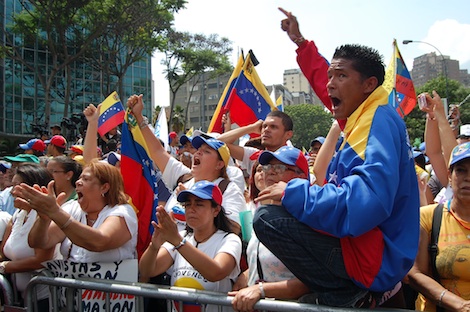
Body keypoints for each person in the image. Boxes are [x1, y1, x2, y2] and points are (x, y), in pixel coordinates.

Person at [252, 9, 419, 308]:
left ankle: (344, 294)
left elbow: (366, 203)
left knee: (268, 218)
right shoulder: (365, 112)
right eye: (331, 75)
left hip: (374, 259)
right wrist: (301, 43)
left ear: (368, 85)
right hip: (371, 251)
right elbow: (324, 80)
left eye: (340, 76)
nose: (330, 84)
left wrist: (293, 191)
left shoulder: (374, 121)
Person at [126, 94, 246, 233]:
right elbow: (157, 151)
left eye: (207, 151)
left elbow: (235, 228)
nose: (198, 153)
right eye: (198, 149)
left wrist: (193, 202)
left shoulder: (228, 189)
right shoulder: (185, 177)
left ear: (219, 165)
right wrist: (139, 118)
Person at [139, 181, 241, 312]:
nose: (191, 209)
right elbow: (148, 271)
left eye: (199, 204)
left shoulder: (229, 239)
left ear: (216, 210)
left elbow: (216, 272)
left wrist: (177, 241)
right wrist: (154, 246)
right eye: (187, 204)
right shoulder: (181, 237)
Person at [230, 146, 310, 311]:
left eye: (280, 168)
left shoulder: (307, 222)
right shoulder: (262, 216)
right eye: (267, 167)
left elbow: (311, 282)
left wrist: (261, 290)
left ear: (301, 176)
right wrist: (248, 275)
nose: (270, 172)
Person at [15, 159, 137, 263]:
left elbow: (99, 242)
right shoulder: (71, 208)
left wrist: (55, 212)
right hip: (71, 290)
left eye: (86, 179)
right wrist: (43, 219)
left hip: (109, 291)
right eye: (79, 178)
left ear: (104, 187)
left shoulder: (122, 211)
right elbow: (39, 242)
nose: (78, 182)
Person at [408, 142, 470, 311]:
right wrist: (458, 304)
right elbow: (414, 273)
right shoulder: (427, 217)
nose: (468, 178)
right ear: (449, 175)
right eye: (461, 170)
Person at [0, 163, 60, 310]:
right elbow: (3, 252)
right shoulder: (17, 215)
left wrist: (5, 268)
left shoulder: (45, 218)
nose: (12, 191)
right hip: (20, 298)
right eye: (12, 185)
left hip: (45, 300)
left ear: (35, 188)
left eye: (18, 186)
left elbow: (41, 260)